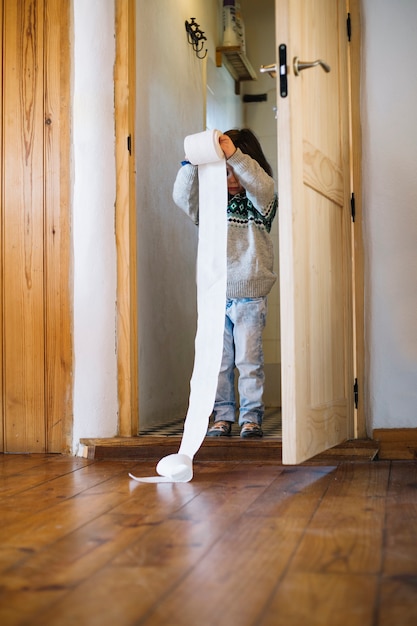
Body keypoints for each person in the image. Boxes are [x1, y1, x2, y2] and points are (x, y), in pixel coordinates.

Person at [173, 128, 278, 439]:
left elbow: (262, 185)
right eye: (225, 171)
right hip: (215, 295)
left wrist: (234, 154)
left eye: (236, 170)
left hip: (249, 296)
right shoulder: (210, 205)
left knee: (249, 362)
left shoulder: (261, 203)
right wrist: (195, 160)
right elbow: (182, 196)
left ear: (249, 164)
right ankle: (222, 415)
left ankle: (251, 417)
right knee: (218, 363)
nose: (230, 178)